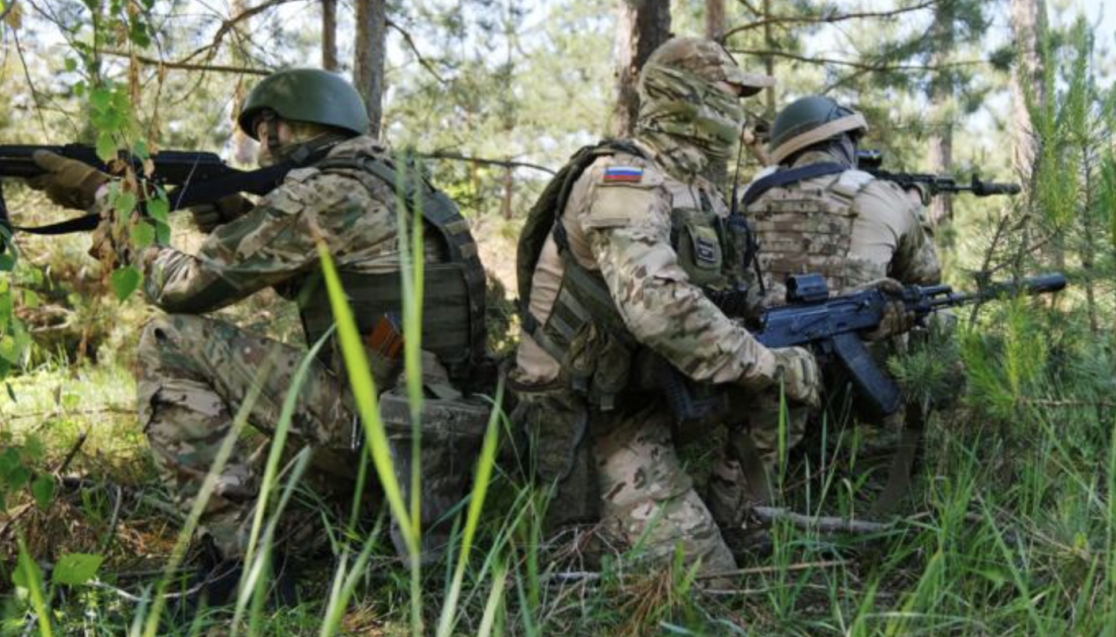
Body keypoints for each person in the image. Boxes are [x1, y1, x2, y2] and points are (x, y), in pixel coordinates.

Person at [27, 68, 489, 596]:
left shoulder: (324, 192)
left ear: (277, 127)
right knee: (281, 512)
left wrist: (107, 199)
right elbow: (330, 279)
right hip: (434, 423)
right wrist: (239, 216)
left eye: (264, 131)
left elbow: (184, 289)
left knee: (168, 341)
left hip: (379, 421)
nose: (263, 147)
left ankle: (245, 567)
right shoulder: (394, 181)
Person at [510, 37, 823, 576]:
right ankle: (630, 530)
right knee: (704, 581)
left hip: (651, 382)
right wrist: (766, 363)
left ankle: (741, 518)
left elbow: (737, 295)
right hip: (588, 406)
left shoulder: (700, 190)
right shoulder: (623, 177)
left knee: (788, 383)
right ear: (688, 95)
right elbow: (657, 307)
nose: (741, 109)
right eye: (731, 92)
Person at [742, 95, 941, 295]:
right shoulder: (883, 195)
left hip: (757, 315)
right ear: (840, 141)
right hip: (859, 315)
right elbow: (926, 277)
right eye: (852, 139)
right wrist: (913, 205)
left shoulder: (748, 197)